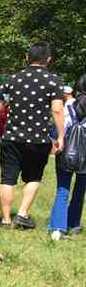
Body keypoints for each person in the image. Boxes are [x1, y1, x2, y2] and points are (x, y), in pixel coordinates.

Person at [0, 42, 66, 230]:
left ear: (26, 58)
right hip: (39, 139)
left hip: (12, 137)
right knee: (34, 177)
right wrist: (61, 136)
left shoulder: (12, 80)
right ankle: (22, 214)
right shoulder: (54, 81)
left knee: (7, 178)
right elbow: (57, 111)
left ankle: (5, 220)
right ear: (49, 59)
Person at [47, 76, 86, 239]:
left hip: (67, 150)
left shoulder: (69, 105)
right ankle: (74, 224)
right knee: (80, 190)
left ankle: (57, 227)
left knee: (62, 189)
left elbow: (58, 127)